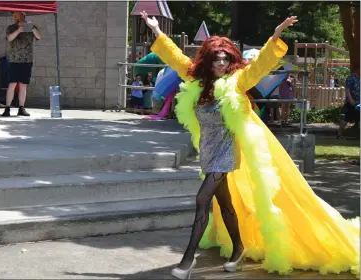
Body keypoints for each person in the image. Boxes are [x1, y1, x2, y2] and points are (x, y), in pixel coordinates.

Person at [141, 11, 359, 279]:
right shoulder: (196, 81)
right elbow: (174, 58)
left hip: (227, 151)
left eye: (225, 58)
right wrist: (156, 31)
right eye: (216, 59)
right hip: (208, 151)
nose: (221, 63)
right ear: (208, 61)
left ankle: (186, 263)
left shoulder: (237, 82)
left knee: (202, 200)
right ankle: (239, 248)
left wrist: (276, 35)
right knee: (226, 204)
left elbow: (260, 66)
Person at [2, 12, 41, 117]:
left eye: (16, 15)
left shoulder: (30, 27)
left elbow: (39, 36)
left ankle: (21, 108)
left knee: (23, 85)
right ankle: (7, 108)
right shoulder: (11, 27)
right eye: (13, 15)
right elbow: (9, 38)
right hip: (14, 60)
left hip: (27, 60)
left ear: (23, 15)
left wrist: (32, 27)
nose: (14, 17)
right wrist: (18, 30)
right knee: (12, 84)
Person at [338, 68, 360, 138]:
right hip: (351, 103)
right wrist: (351, 100)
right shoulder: (351, 77)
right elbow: (347, 89)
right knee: (345, 119)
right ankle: (339, 135)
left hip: (359, 104)